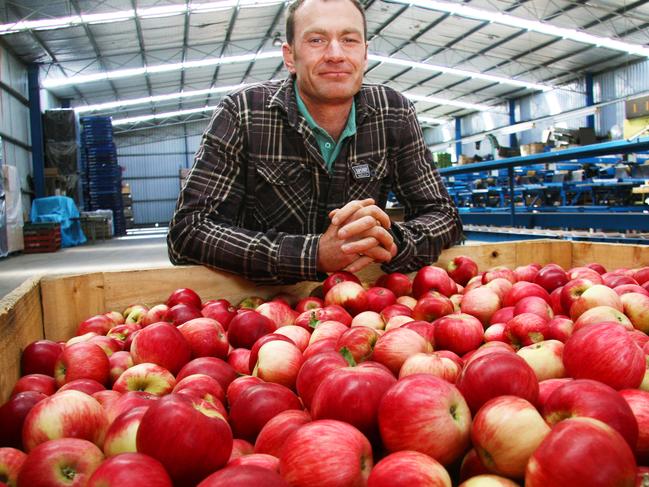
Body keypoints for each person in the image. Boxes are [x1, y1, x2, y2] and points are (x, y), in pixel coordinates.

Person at [167, 0, 462, 284]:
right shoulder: (243, 112)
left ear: (365, 54)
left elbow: (444, 216)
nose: (336, 54)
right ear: (290, 56)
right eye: (317, 40)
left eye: (349, 40)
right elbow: (188, 232)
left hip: (364, 308)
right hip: (261, 310)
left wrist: (393, 241)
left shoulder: (393, 112)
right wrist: (313, 254)